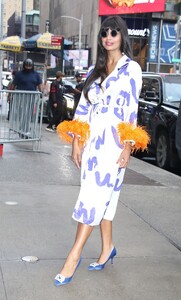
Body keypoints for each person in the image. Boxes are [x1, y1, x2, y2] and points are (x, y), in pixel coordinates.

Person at [55, 15, 149, 286]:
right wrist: (76, 140)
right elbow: (83, 108)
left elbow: (131, 110)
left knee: (92, 198)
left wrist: (128, 147)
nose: (108, 37)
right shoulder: (94, 72)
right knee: (103, 199)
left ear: (122, 36)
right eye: (105, 32)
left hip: (115, 144)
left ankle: (73, 257)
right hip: (93, 144)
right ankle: (107, 247)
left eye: (114, 32)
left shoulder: (131, 69)